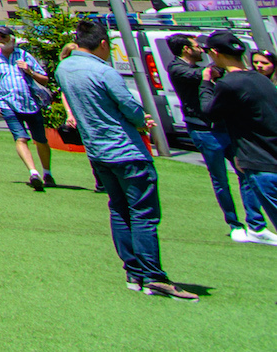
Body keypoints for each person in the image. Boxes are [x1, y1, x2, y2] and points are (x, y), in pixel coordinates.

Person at [57, 17, 193, 297]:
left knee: (119, 210)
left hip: (97, 150)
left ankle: (133, 272)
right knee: (143, 213)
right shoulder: (103, 71)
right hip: (125, 149)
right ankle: (153, 275)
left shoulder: (64, 67)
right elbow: (129, 105)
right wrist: (141, 120)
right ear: (103, 43)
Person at [166, 34, 251, 236]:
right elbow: (203, 74)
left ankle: (255, 221)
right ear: (186, 49)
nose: (202, 49)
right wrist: (220, 62)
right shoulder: (177, 68)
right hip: (203, 129)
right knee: (220, 178)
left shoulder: (202, 67)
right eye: (197, 46)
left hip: (223, 126)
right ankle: (234, 223)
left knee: (245, 171)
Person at [203, 29, 277, 247]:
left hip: (260, 163)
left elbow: (209, 112)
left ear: (215, 53)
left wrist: (207, 83)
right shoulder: (262, 80)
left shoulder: (229, 84)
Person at [0, 25, 55, 189]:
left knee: (40, 140)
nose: (0, 40)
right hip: (8, 104)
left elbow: (44, 79)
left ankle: (47, 173)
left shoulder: (24, 56)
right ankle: (33, 172)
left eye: (3, 37)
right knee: (20, 138)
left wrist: (29, 71)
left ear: (12, 39)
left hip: (31, 104)